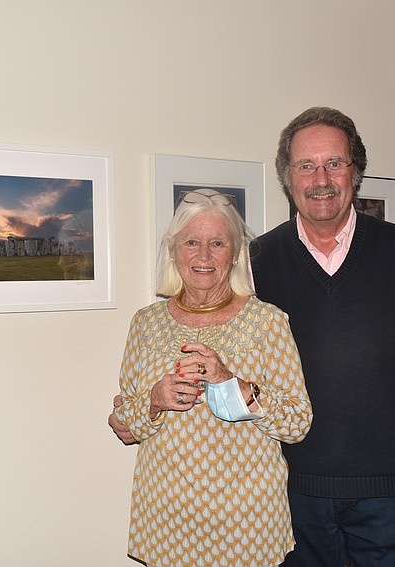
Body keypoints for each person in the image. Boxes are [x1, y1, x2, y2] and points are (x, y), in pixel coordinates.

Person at [110, 107, 395, 566]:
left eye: (334, 163)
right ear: (288, 178)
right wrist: (140, 407)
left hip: (390, 491)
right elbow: (221, 357)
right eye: (305, 166)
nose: (321, 178)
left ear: (356, 172)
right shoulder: (256, 260)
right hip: (294, 491)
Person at [113, 188, 312, 567]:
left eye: (217, 243)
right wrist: (154, 399)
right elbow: (126, 423)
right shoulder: (146, 324)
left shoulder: (267, 322)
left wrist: (234, 383)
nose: (203, 255)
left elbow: (298, 422)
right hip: (166, 519)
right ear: (173, 251)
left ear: (235, 253)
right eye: (191, 242)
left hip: (246, 524)